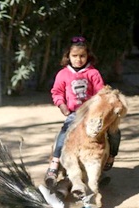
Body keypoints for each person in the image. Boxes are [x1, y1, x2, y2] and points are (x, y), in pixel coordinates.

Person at [44, 36, 121, 188]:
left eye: (82, 56)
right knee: (64, 133)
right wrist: (62, 105)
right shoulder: (63, 74)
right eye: (74, 56)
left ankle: (110, 157)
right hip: (75, 114)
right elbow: (57, 92)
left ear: (88, 56)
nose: (78, 59)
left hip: (92, 114)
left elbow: (101, 93)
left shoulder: (93, 73)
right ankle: (55, 163)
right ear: (68, 56)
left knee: (114, 132)